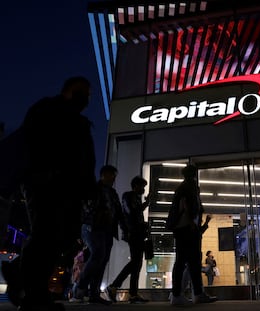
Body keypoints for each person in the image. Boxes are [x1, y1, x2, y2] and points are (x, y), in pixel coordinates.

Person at [5, 76, 97, 311]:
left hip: (70, 187)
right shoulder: (48, 109)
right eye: (82, 93)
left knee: (63, 237)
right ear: (69, 91)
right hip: (46, 183)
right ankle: (33, 293)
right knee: (47, 232)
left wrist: (87, 186)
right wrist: (43, 173)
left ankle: (23, 277)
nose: (86, 99)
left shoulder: (78, 120)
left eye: (87, 95)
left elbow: (83, 157)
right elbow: (33, 142)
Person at [71, 165, 127, 305]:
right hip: (92, 227)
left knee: (102, 261)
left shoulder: (113, 193)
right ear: (103, 175)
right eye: (111, 174)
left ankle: (94, 293)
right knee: (98, 255)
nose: (113, 178)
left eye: (114, 175)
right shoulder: (92, 189)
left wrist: (125, 228)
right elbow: (80, 208)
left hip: (107, 230)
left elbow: (118, 212)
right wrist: (77, 230)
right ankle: (80, 289)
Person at [170, 165, 217, 305]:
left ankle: (191, 294)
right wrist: (192, 222)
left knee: (191, 262)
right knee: (186, 262)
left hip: (184, 228)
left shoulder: (184, 186)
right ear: (193, 174)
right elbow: (185, 205)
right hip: (186, 228)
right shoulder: (188, 187)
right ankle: (183, 295)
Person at [105, 176, 151, 304]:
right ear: (135, 185)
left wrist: (146, 204)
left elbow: (135, 212)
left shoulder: (135, 198)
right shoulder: (127, 196)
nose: (143, 189)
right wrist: (140, 225)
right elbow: (130, 213)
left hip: (138, 233)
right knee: (135, 262)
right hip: (133, 234)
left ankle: (133, 294)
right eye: (142, 186)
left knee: (137, 264)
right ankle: (113, 287)